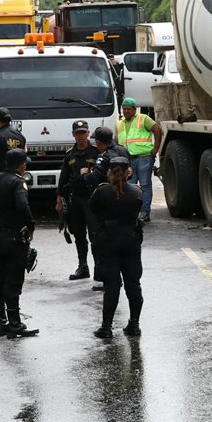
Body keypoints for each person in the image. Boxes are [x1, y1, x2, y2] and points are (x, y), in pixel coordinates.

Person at [0, 148, 38, 338]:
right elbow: (22, 205)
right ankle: (14, 323)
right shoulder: (18, 182)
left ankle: (1, 323)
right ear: (22, 166)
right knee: (13, 280)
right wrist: (30, 225)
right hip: (14, 237)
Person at [89, 156, 144, 339]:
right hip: (130, 242)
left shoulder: (101, 192)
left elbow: (93, 211)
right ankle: (134, 325)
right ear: (129, 171)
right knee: (133, 285)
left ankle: (106, 327)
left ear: (109, 172)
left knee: (111, 286)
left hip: (108, 243)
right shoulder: (136, 192)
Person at [81, 126, 129, 291]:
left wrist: (84, 174)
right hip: (125, 197)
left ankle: (110, 279)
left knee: (103, 242)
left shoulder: (103, 157)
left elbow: (94, 177)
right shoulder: (122, 150)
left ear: (99, 142)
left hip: (108, 201)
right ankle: (121, 276)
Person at [57, 119, 95, 281]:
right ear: (73, 135)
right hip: (75, 198)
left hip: (92, 198)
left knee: (95, 234)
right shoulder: (69, 155)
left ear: (88, 133)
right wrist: (59, 198)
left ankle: (100, 266)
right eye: (78, 133)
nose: (81, 136)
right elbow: (63, 178)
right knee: (78, 233)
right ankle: (83, 266)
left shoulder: (96, 152)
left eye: (83, 133)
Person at [116, 97, 163, 223]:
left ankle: (144, 213)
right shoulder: (120, 123)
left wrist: (156, 148)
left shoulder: (143, 118)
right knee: (129, 186)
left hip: (144, 157)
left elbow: (157, 129)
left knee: (145, 185)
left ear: (134, 109)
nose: (126, 111)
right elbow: (117, 140)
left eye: (129, 109)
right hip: (127, 160)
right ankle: (132, 212)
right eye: (124, 109)